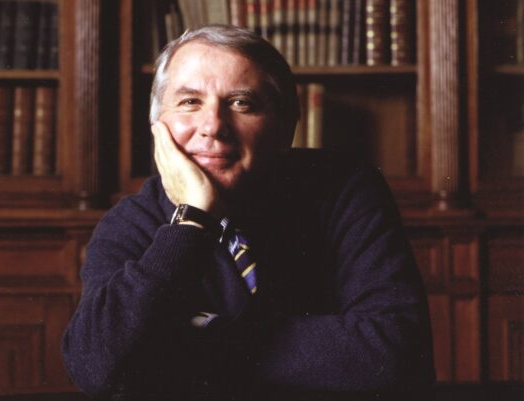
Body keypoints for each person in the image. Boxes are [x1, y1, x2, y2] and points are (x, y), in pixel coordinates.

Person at [62, 25, 435, 401]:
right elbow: (96, 365)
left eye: (242, 103)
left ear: (285, 126)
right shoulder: (130, 221)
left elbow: (395, 353)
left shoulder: (344, 188)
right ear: (157, 126)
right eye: (190, 102)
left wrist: (202, 336)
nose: (213, 126)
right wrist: (192, 222)